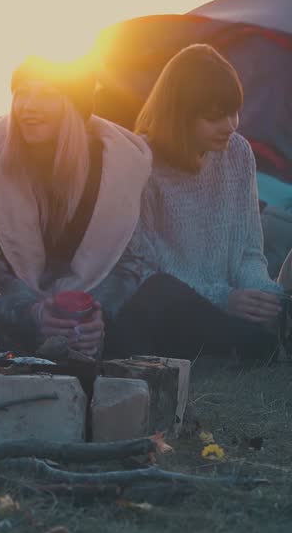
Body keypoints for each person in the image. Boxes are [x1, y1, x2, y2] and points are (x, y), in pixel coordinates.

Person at [0, 56, 151, 355]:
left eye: (47, 95)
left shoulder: (111, 172)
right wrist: (33, 312)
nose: (29, 107)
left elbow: (127, 259)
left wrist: (94, 314)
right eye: (22, 93)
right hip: (0, 304)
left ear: (74, 105)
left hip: (79, 308)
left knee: (143, 315)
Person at [107, 44, 284, 359]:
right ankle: (247, 346)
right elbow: (142, 267)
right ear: (180, 115)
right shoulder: (140, 163)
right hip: (170, 305)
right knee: (158, 296)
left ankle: (257, 339)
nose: (230, 125)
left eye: (234, 112)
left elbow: (249, 252)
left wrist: (264, 296)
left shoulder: (239, 153)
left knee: (269, 310)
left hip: (226, 307)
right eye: (215, 117)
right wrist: (224, 298)